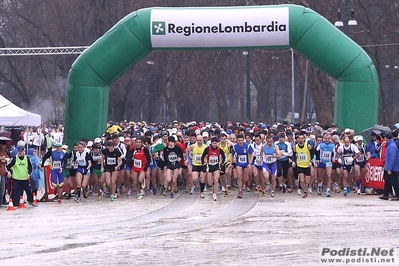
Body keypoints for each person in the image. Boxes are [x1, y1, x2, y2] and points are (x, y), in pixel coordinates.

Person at [201, 137, 226, 201]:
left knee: (216, 180)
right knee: (210, 183)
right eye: (213, 143)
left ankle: (214, 194)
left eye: (215, 143)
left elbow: (223, 156)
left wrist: (222, 163)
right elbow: (202, 156)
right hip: (209, 166)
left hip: (216, 166)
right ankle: (214, 188)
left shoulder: (219, 149)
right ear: (211, 143)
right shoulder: (207, 149)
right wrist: (203, 163)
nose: (214, 144)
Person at [231, 134, 254, 198]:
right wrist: (231, 163)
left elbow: (252, 153)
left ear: (243, 140)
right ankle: (240, 190)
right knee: (239, 176)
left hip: (246, 163)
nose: (240, 142)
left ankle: (242, 185)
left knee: (245, 178)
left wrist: (250, 163)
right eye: (239, 140)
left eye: (241, 140)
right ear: (237, 140)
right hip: (239, 163)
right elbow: (232, 154)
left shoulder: (247, 146)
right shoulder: (235, 146)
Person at [292, 132, 313, 198]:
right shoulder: (295, 147)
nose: (300, 140)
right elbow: (294, 155)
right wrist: (294, 162)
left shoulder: (308, 146)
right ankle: (304, 192)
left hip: (307, 165)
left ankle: (306, 187)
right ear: (297, 139)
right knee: (301, 180)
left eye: (302, 138)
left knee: (307, 181)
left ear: (304, 139)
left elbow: (312, 153)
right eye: (299, 138)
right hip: (300, 165)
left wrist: (311, 161)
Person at [379, 132, 399, 201]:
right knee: (387, 181)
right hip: (391, 167)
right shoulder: (391, 145)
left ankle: (398, 195)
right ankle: (385, 194)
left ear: (386, 138)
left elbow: (392, 158)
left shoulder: (391, 146)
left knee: (394, 181)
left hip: (393, 168)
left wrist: (389, 168)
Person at [315, 133, 335, 197]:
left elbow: (334, 153)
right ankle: (320, 185)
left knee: (329, 175)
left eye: (328, 138)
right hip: (321, 162)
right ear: (324, 138)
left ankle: (328, 190)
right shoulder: (321, 144)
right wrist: (317, 159)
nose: (327, 139)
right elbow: (316, 151)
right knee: (320, 177)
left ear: (330, 139)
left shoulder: (332, 145)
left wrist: (333, 158)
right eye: (326, 138)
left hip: (328, 162)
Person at [0, 139, 10, 207]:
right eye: (2, 145)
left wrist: (5, 160)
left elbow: (8, 159)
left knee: (3, 189)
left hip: (3, 172)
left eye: (4, 145)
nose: (4, 146)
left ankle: (1, 203)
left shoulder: (4, 152)